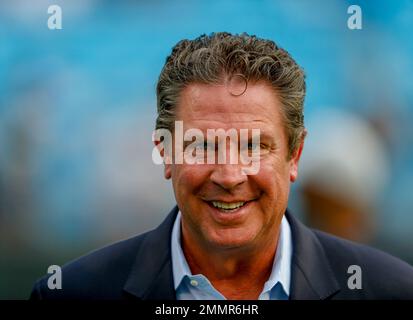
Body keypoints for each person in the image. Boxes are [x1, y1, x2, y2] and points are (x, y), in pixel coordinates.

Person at [30, 32, 413, 300]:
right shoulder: (73, 293)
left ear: (294, 156)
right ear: (165, 152)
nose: (230, 176)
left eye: (253, 146)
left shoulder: (391, 291)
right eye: (203, 146)